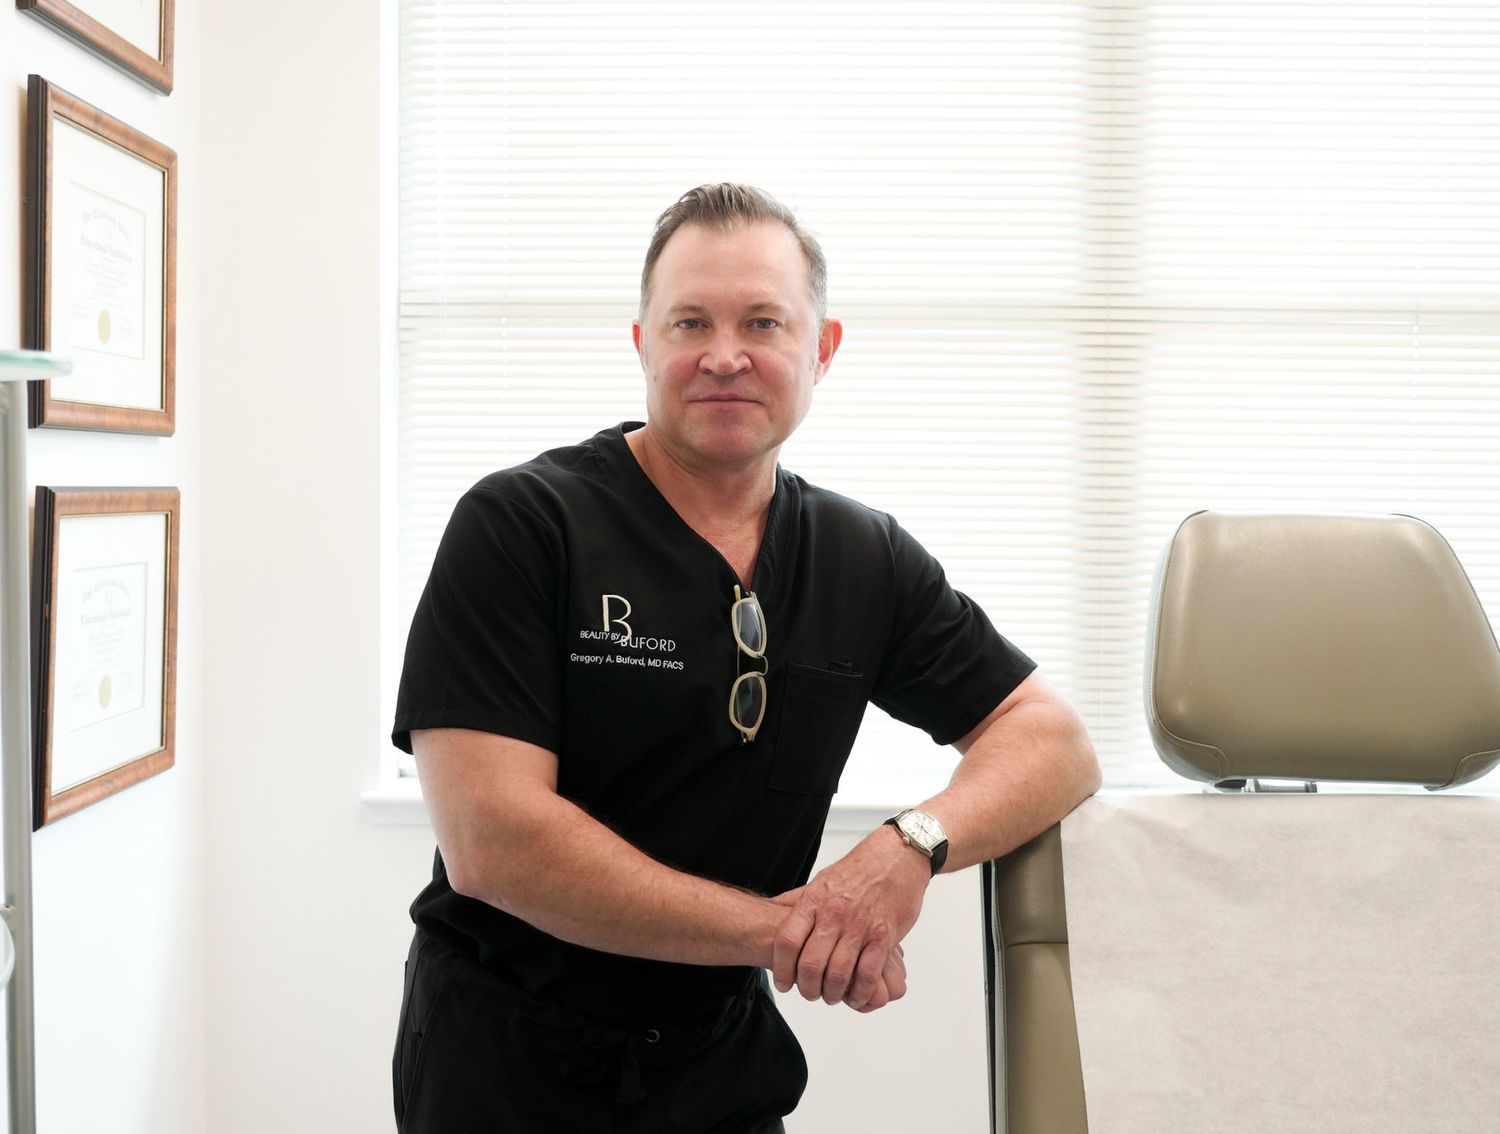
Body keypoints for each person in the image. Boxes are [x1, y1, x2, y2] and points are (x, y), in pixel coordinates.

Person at [390, 183, 1100, 1133]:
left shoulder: (863, 558)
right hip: (508, 1068)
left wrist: (910, 848)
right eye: (691, 321)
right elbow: (492, 841)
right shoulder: (522, 525)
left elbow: (1052, 740)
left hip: (720, 1071)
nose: (725, 355)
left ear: (823, 348)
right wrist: (788, 933)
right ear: (643, 344)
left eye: (763, 321)